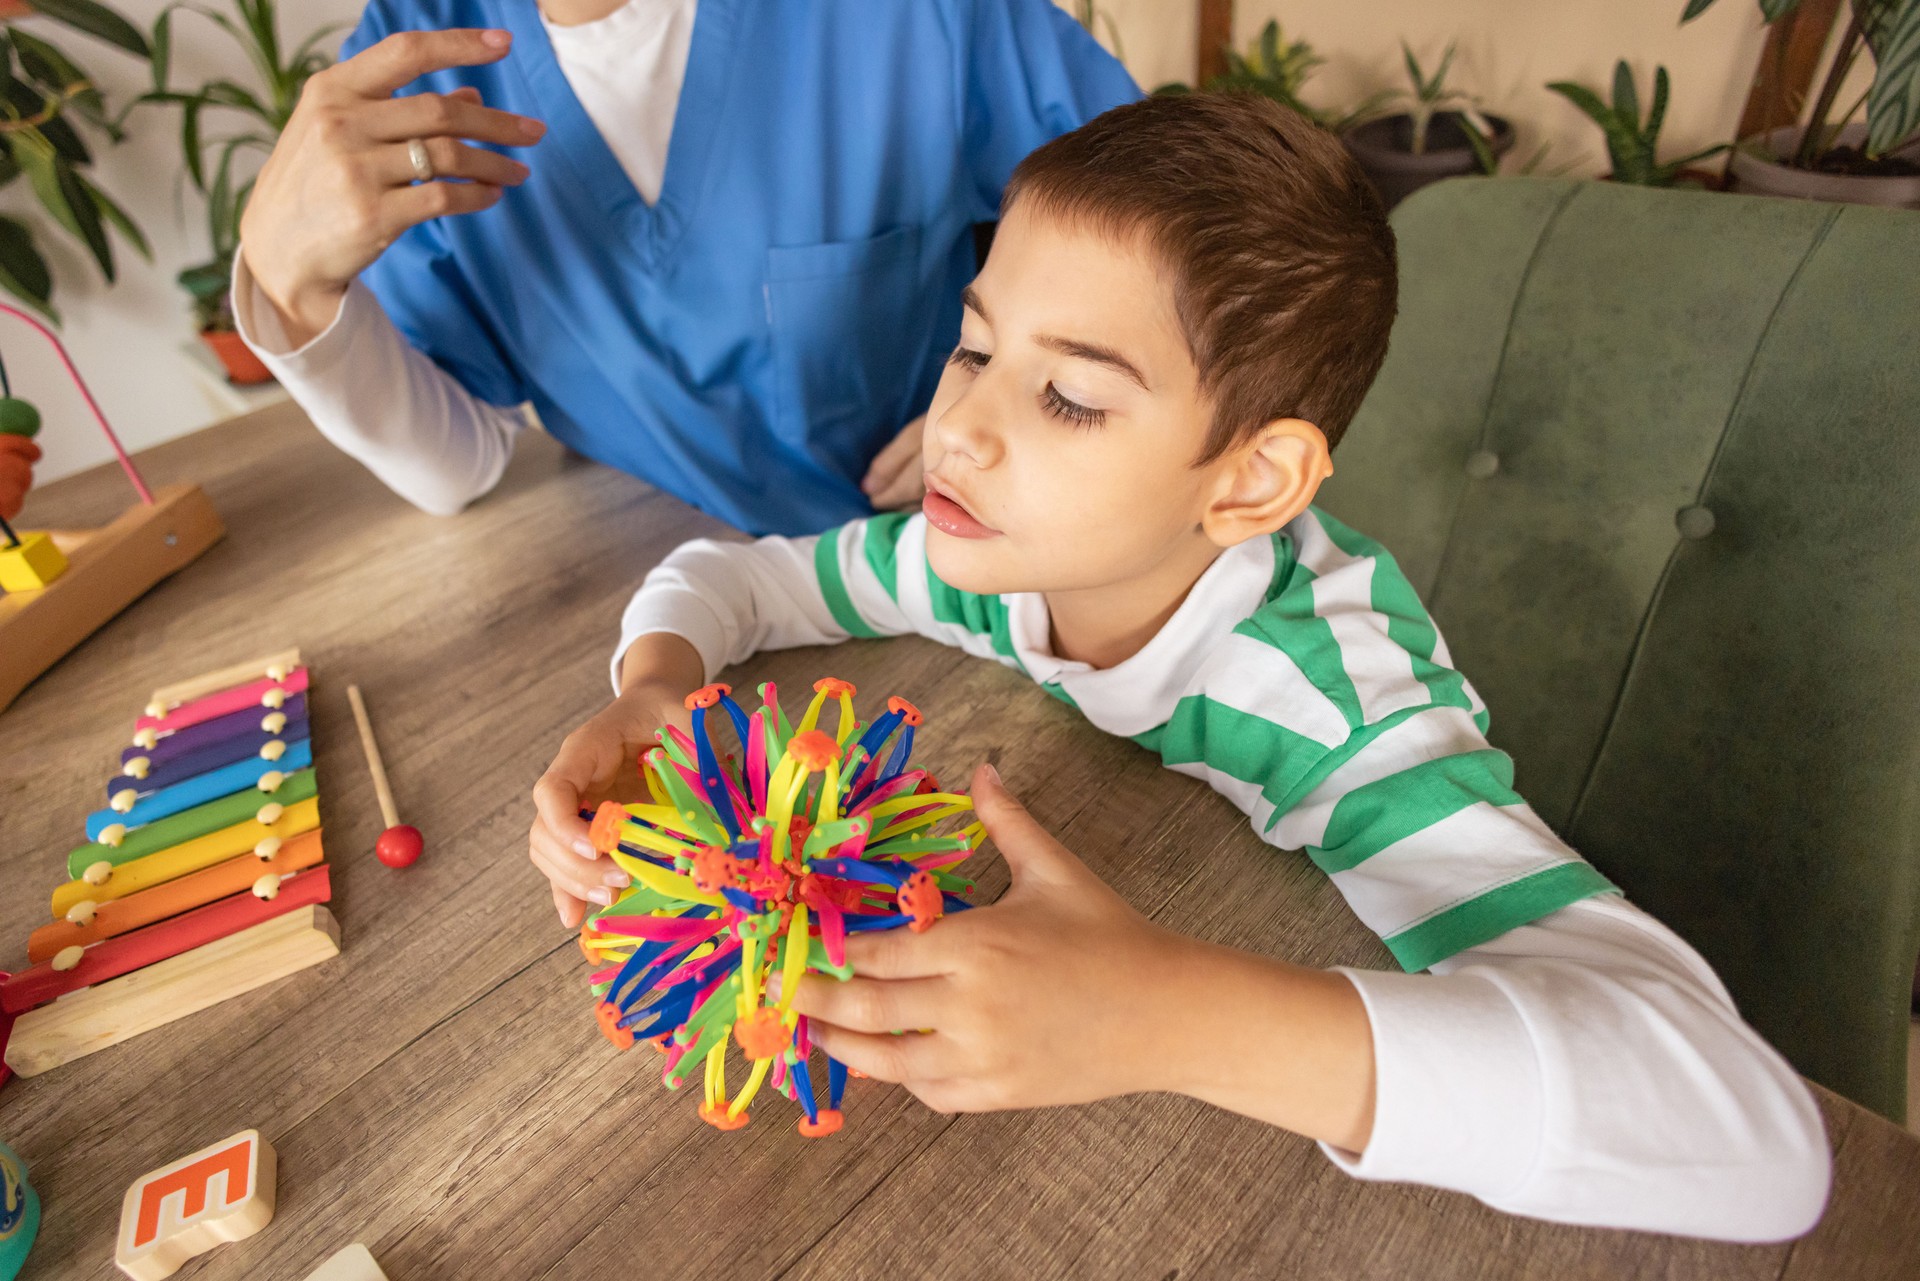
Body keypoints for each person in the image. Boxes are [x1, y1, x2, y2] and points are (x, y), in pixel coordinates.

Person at [531, 94, 1831, 1239]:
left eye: (1073, 398)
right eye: (977, 346)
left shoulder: (1327, 700)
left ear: (1251, 479)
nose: (961, 427)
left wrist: (1157, 1011)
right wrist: (656, 685)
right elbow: (738, 577)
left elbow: (1760, 1147)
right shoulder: (976, 554)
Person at [234, 1, 1137, 533]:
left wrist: (1012, 399)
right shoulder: (412, 56)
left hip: (930, 556)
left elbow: (1157, 227)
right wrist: (291, 289)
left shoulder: (916, 21)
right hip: (662, 605)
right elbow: (457, 461)